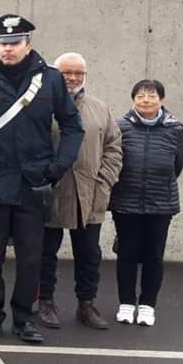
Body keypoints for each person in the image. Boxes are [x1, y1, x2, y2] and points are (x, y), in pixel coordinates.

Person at [0, 15, 83, 344]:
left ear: (27, 44)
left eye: (15, 43)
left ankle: (24, 318)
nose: (8, 49)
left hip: (35, 183)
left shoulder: (49, 80)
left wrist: (57, 167)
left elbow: (73, 126)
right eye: (3, 44)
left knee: (31, 255)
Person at [37, 53, 122, 330]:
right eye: (66, 73)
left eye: (78, 73)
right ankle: (45, 301)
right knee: (45, 251)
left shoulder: (100, 108)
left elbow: (113, 148)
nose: (73, 78)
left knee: (89, 254)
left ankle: (86, 303)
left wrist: (104, 181)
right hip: (51, 192)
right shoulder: (42, 106)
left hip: (90, 193)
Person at [110, 79, 183, 327]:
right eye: (140, 95)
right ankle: (126, 303)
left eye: (152, 96)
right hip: (126, 200)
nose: (146, 100)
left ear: (161, 100)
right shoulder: (120, 126)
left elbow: (177, 165)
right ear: (133, 99)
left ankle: (147, 305)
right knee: (127, 254)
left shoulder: (175, 129)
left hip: (160, 203)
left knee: (154, 256)